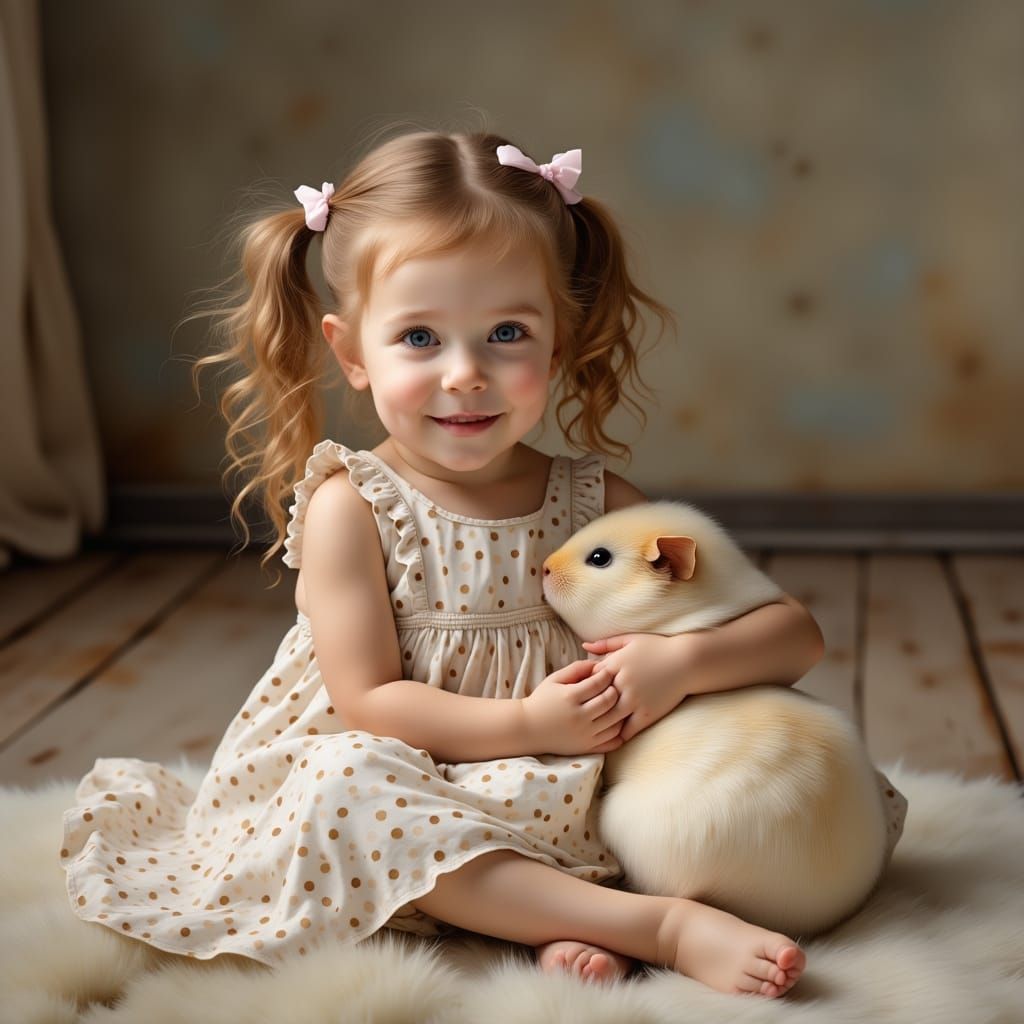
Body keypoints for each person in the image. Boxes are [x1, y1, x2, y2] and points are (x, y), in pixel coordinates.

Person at [60, 129, 830, 997]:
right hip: (406, 773)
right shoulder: (353, 504)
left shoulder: (592, 503)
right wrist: (531, 728)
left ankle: (543, 909)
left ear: (560, 343)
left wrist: (679, 662)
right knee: (347, 786)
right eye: (419, 338)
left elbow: (793, 636)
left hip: (565, 783)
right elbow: (369, 702)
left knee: (726, 780)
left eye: (506, 332)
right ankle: (650, 924)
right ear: (353, 353)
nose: (465, 375)